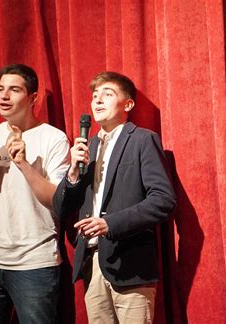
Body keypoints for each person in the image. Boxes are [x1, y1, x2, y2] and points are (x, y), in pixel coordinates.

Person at [53, 71, 176, 323]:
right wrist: (73, 172)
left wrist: (111, 224)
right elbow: (60, 207)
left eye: (107, 95)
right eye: (95, 96)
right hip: (92, 263)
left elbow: (163, 200)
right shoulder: (88, 148)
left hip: (130, 262)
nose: (97, 101)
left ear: (128, 104)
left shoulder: (142, 140)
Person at [0, 63, 70, 323]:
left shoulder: (53, 138)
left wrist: (23, 164)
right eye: (0, 90)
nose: (4, 96)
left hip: (34, 263)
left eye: (14, 90)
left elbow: (58, 201)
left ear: (32, 98)